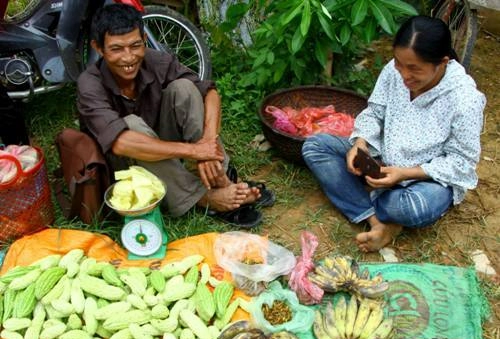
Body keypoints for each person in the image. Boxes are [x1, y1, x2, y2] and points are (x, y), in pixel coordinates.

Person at [77, 4, 274, 228]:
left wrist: (208, 144)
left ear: (143, 38)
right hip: (122, 165)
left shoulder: (155, 60)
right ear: (99, 48)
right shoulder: (89, 84)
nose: (129, 57)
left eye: (135, 45)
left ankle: (220, 177)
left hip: (161, 145)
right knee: (130, 126)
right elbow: (121, 144)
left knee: (185, 89)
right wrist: (194, 151)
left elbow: (210, 92)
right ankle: (204, 198)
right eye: (116, 49)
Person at [302, 15, 486, 253]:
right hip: (383, 161)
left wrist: (404, 174)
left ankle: (374, 204)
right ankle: (378, 222)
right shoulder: (394, 71)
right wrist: (361, 143)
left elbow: (462, 162)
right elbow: (374, 112)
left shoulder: (465, 100)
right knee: (316, 146)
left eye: (414, 69)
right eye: (399, 63)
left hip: (425, 181)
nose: (404, 75)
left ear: (442, 62)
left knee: (411, 207)